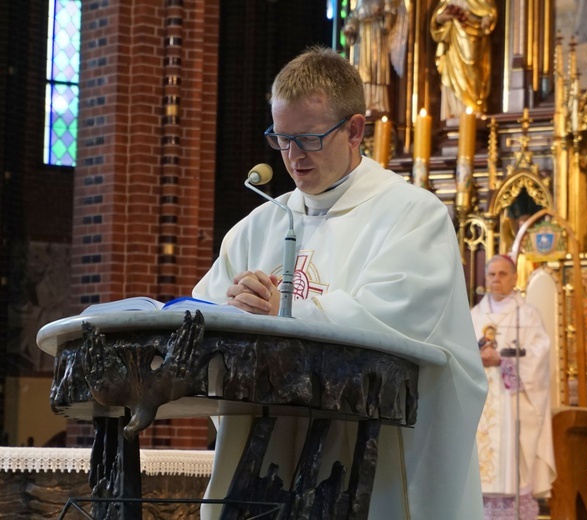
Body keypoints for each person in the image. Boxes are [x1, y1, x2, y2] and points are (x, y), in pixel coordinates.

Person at [193, 46, 487, 519]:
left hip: (371, 465)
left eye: (308, 139)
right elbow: (203, 312)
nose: (292, 157)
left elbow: (394, 321)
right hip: (270, 462)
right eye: (280, 139)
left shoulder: (413, 217)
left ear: (354, 130)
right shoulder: (259, 225)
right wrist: (232, 310)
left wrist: (283, 314)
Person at [471, 255, 556, 520]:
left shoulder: (526, 315)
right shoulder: (474, 315)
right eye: (491, 275)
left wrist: (504, 361)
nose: (496, 280)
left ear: (514, 278)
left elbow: (539, 355)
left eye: (503, 274)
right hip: (482, 400)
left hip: (513, 399)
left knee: (513, 455)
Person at [430, 0, 497, 120]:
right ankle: (453, 111)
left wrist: (487, 19)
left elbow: (490, 11)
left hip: (473, 36)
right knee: (452, 73)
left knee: (472, 67)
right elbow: (437, 19)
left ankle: (473, 109)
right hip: (453, 38)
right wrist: (444, 17)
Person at [342, 0, 405, 116]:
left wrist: (384, 16)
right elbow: (354, 16)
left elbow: (390, 15)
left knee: (376, 69)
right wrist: (350, 28)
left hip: (377, 36)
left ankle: (377, 103)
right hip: (362, 38)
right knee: (363, 71)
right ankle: (365, 102)